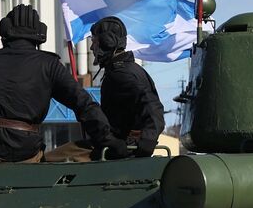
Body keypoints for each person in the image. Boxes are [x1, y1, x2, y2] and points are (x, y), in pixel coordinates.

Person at [0, 5, 113, 166]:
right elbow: (83, 104)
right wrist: (107, 139)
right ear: (40, 34)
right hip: (25, 154)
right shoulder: (49, 65)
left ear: (4, 31)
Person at [45, 16, 165, 162]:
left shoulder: (122, 74)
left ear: (107, 43)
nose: (91, 48)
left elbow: (152, 107)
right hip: (114, 146)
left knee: (50, 159)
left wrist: (146, 140)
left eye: (94, 42)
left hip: (116, 149)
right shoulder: (124, 70)